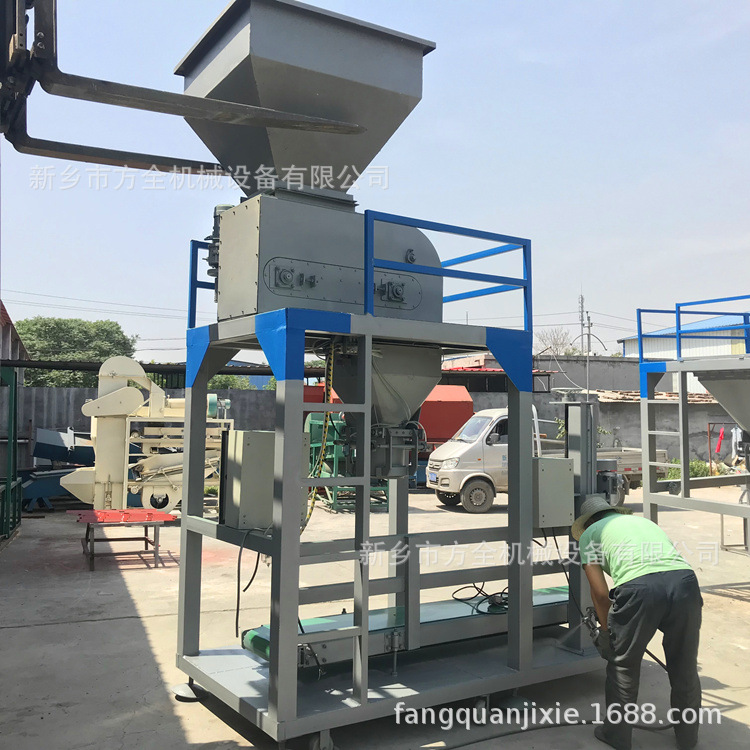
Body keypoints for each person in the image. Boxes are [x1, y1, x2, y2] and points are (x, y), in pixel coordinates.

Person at [571, 496, 703, 750]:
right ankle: (688, 738)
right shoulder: (644, 523)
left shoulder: (589, 536)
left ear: (587, 523)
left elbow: (600, 593)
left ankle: (617, 735)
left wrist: (607, 633)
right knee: (684, 665)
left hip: (640, 589)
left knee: (623, 666)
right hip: (684, 584)